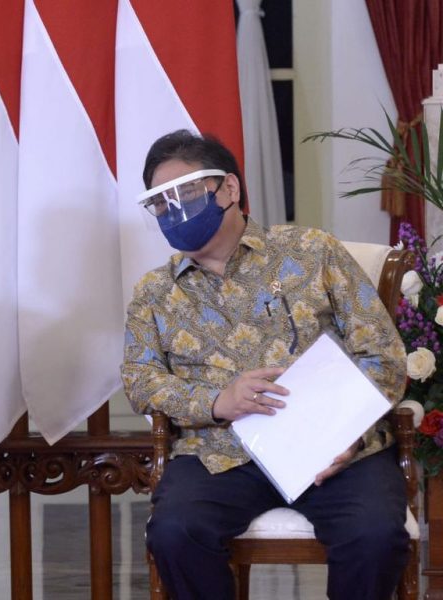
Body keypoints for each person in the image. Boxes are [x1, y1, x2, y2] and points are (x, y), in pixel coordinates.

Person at [122, 129, 409, 599]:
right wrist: (217, 401)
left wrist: (348, 431)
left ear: (228, 189)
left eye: (186, 194)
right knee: (175, 533)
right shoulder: (154, 292)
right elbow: (140, 379)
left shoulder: (312, 251)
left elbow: (382, 351)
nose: (174, 212)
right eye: (160, 203)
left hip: (335, 448)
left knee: (374, 535)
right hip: (220, 454)